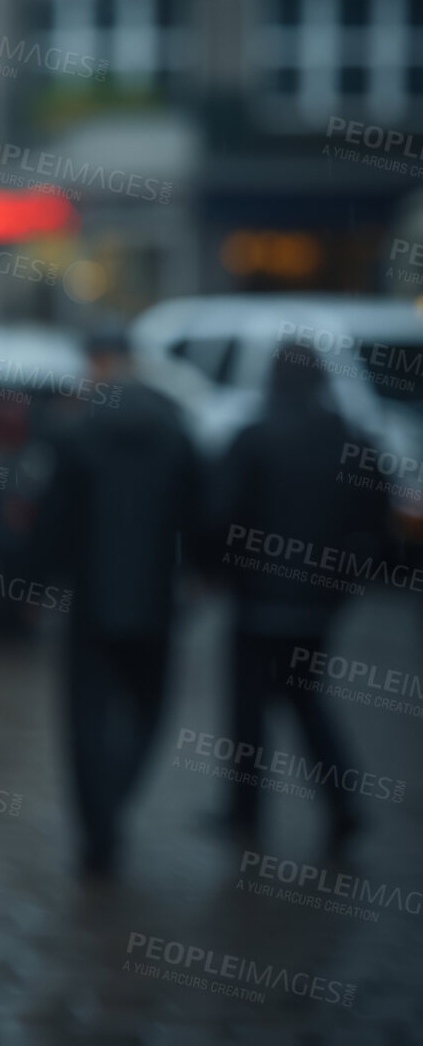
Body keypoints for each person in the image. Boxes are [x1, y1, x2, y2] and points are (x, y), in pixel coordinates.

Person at [207, 342, 388, 854]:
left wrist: (218, 572)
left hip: (257, 605)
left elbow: (220, 514)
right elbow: (375, 523)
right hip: (315, 608)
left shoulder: (254, 437)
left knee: (248, 712)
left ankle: (245, 815)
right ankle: (342, 804)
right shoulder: (349, 440)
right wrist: (343, 584)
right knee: (308, 701)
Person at [36, 325, 200, 877]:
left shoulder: (79, 427)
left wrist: (38, 583)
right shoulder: (174, 421)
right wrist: (199, 572)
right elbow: (202, 508)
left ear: (100, 362)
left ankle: (97, 831)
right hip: (156, 597)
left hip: (91, 599)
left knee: (85, 717)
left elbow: (53, 519)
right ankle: (118, 794)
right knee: (149, 707)